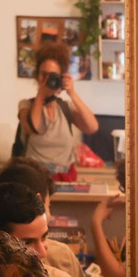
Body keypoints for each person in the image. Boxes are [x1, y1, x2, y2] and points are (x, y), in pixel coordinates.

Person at [17, 41, 98, 180]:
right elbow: (33, 128)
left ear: (61, 77)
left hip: (65, 178)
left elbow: (92, 127)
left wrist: (72, 93)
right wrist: (41, 94)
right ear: (37, 76)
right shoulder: (26, 105)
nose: (47, 79)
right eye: (43, 74)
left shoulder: (66, 108)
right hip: (35, 178)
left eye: (52, 75)